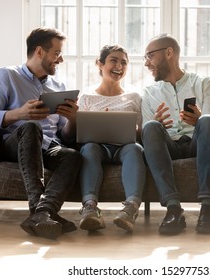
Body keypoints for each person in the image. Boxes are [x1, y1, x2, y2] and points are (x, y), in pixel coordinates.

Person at [0, 27, 82, 239]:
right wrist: (19, 113)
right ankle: (38, 207)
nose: (60, 60)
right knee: (30, 126)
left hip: (47, 144)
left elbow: (65, 135)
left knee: (72, 156)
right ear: (39, 51)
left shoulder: (58, 86)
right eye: (57, 53)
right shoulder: (6, 75)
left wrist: (73, 119)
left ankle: (44, 212)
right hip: (16, 143)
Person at [141, 34, 210, 235]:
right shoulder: (150, 92)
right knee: (150, 127)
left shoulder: (203, 83)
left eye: (150, 56)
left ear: (169, 53)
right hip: (168, 146)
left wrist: (199, 119)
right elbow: (145, 133)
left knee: (208, 120)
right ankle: (173, 209)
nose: (146, 63)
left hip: (198, 144)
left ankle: (207, 209)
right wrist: (157, 125)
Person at [77, 45, 145, 233]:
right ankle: (89, 208)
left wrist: (125, 127)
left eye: (124, 62)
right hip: (96, 147)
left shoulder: (134, 97)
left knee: (135, 149)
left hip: (125, 146)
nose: (119, 66)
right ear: (99, 64)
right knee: (89, 148)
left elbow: (140, 133)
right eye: (113, 60)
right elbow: (80, 132)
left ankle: (130, 209)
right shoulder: (87, 97)